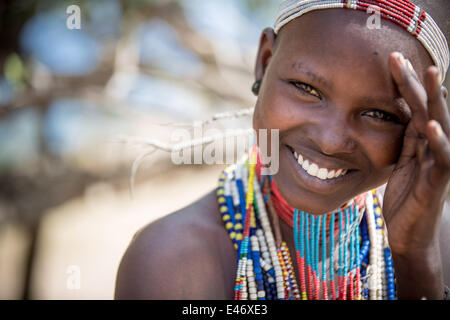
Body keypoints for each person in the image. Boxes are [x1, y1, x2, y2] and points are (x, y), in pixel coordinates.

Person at [114, 0, 450, 300]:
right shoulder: (172, 263)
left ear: (425, 122)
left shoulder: (436, 248)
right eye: (307, 88)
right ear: (265, 61)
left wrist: (416, 265)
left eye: (380, 115)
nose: (331, 140)